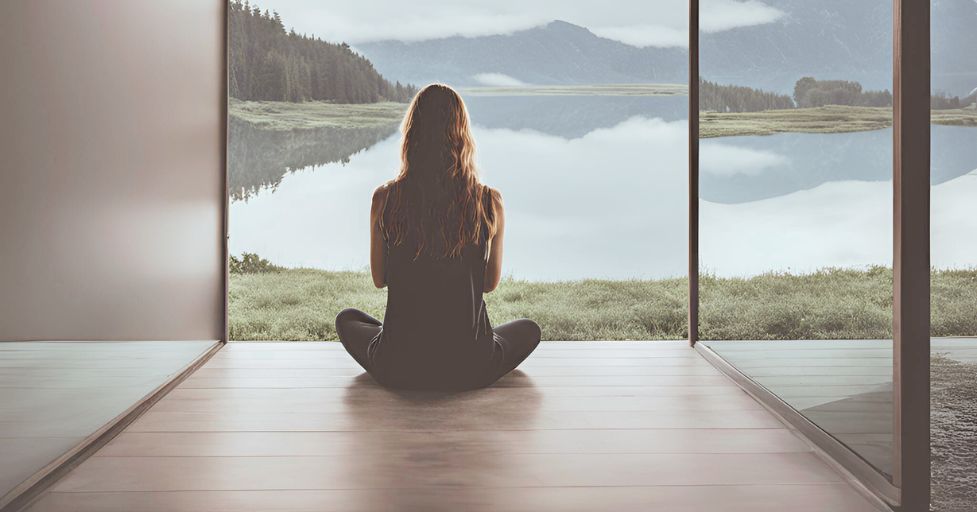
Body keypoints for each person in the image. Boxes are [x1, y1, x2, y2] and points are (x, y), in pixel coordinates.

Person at [335, 84, 541, 390]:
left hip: (399, 366)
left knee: (348, 319)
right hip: (470, 367)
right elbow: (489, 284)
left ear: (413, 134)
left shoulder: (385, 198)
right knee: (529, 329)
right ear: (462, 136)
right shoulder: (489, 202)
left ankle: (403, 341)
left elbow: (380, 279)